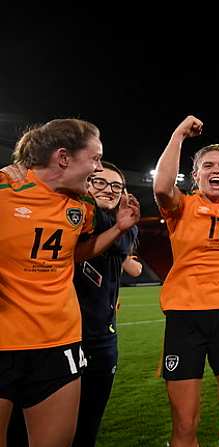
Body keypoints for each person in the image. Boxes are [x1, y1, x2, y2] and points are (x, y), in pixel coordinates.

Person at [0, 118, 139, 447]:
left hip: (58, 341)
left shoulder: (82, 208)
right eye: (95, 158)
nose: (99, 167)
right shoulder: (5, 189)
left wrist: (118, 229)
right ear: (64, 158)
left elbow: (75, 254)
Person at [154, 116, 219, 447]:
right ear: (196, 174)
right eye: (209, 165)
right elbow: (160, 187)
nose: (217, 169)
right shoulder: (182, 205)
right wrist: (178, 133)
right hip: (184, 318)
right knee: (185, 424)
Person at [73, 161, 142, 446]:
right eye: (100, 182)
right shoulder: (72, 215)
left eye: (116, 186)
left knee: (89, 424)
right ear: (85, 183)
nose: (109, 190)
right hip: (63, 336)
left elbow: (123, 247)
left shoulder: (124, 226)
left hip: (102, 338)